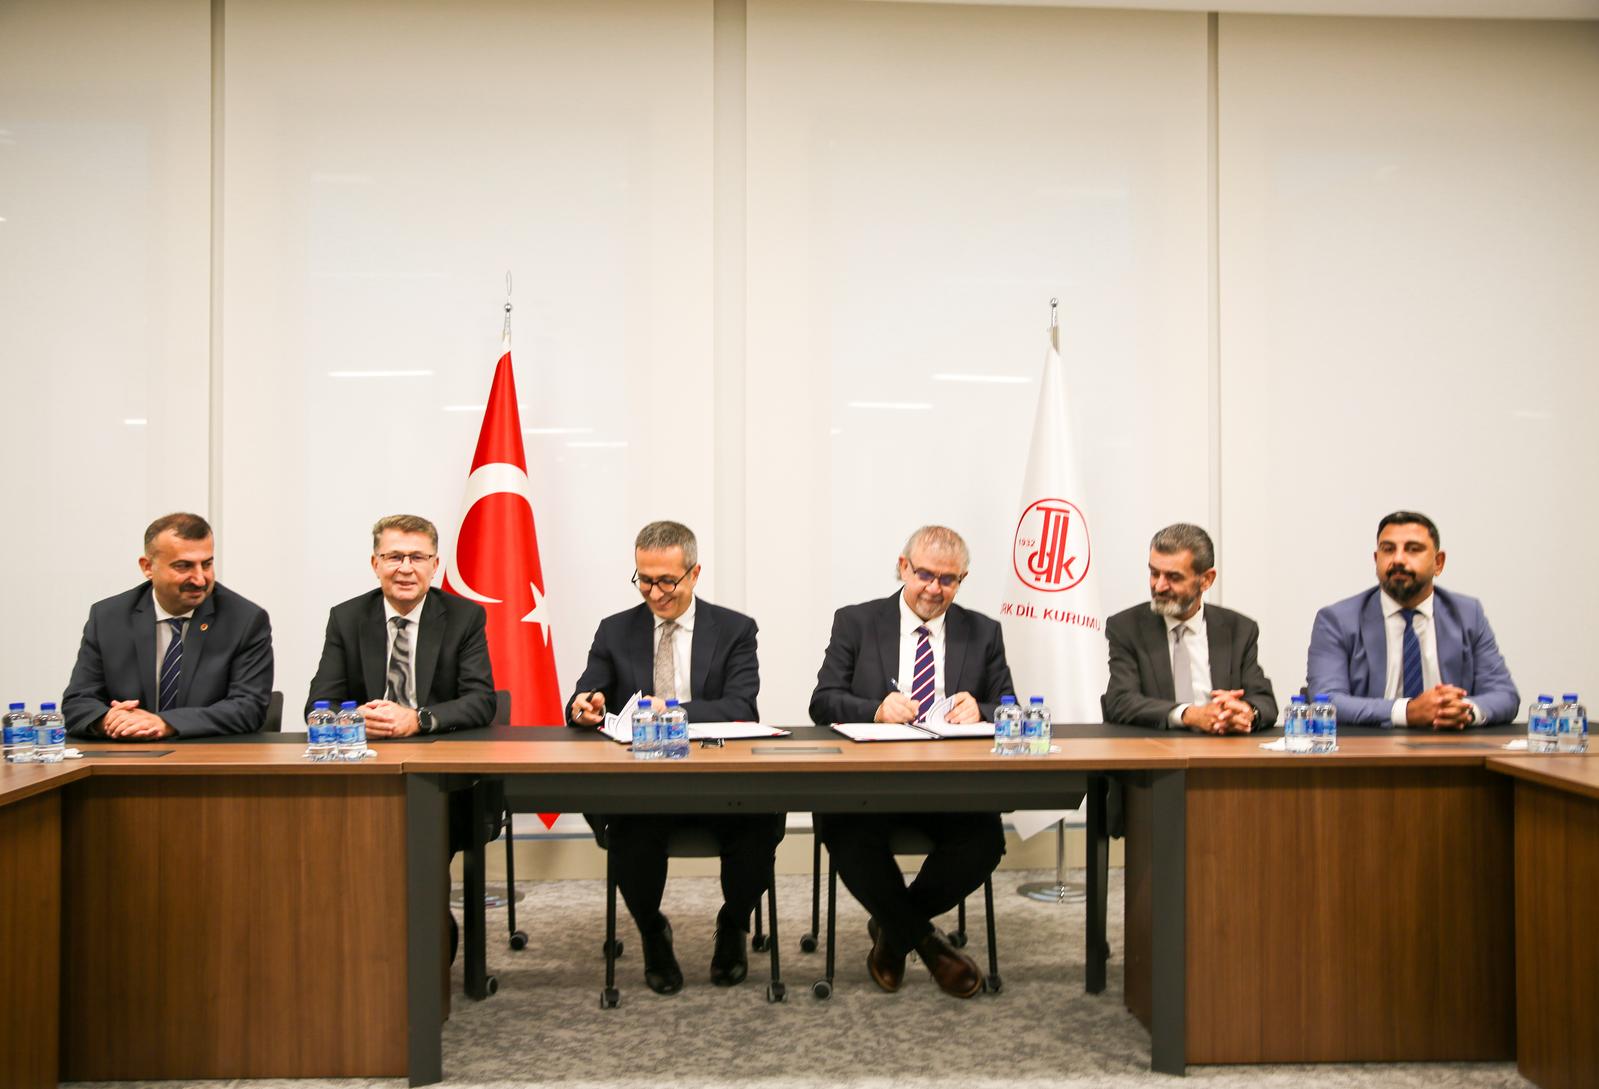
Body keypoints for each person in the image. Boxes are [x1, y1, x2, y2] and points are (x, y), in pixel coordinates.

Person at [566, 520, 781, 995]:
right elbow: (587, 693)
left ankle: (733, 924)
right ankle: (651, 930)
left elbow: (741, 707)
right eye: (644, 580)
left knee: (761, 825)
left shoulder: (735, 630)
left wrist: (673, 710)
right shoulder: (615, 630)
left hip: (720, 783)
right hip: (643, 785)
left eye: (667, 580)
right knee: (628, 832)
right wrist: (584, 706)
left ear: (694, 573)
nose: (655, 593)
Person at [808, 525, 1009, 999]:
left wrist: (982, 709)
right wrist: (875, 709)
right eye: (925, 575)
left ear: (961, 580)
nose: (934, 589)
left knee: (985, 842)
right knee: (843, 830)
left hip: (951, 785)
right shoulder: (856, 622)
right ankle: (925, 941)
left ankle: (893, 930)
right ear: (903, 568)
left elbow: (1010, 706)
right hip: (870, 784)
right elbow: (822, 702)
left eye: (948, 579)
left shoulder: (983, 632)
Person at [64, 512, 273, 739]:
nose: (200, 579)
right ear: (147, 567)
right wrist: (109, 720)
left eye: (207, 564)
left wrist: (165, 723)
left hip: (205, 754)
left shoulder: (244, 620)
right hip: (125, 754)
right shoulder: (108, 617)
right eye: (183, 566)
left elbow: (249, 707)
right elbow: (78, 702)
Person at [1307, 510, 1518, 728]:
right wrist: (1407, 711)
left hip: (1450, 742)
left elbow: (1504, 695)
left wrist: (1463, 711)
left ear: (1438, 562)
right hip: (1372, 745)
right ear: (1376, 560)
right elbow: (1327, 700)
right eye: (1388, 549)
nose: (1398, 559)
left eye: (1413, 549)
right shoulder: (1338, 620)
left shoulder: (1467, 615)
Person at [305, 514, 495, 737]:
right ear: (376, 564)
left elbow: (481, 701)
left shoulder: (464, 617)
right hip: (367, 747)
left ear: (434, 566)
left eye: (417, 558)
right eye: (394, 557)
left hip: (436, 746)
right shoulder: (347, 618)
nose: (406, 568)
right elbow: (319, 704)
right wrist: (354, 718)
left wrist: (418, 719)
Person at [1101, 523, 1277, 732]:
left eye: (1173, 577)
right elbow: (1120, 701)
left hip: (1222, 747)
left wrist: (1245, 712)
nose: (1159, 586)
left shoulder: (1239, 629)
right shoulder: (1126, 627)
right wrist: (1189, 714)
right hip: (1154, 748)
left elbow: (1265, 701)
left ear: (1206, 580)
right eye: (1154, 573)